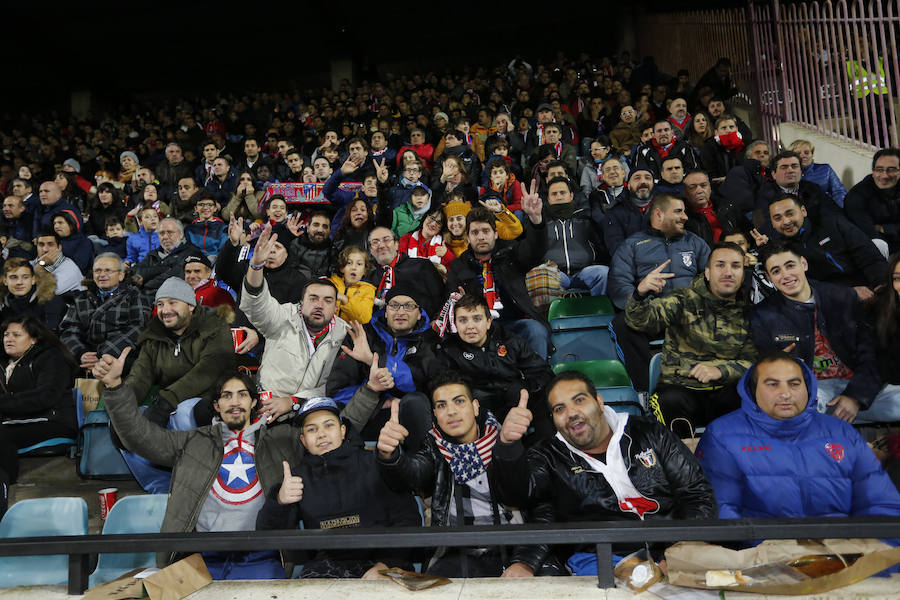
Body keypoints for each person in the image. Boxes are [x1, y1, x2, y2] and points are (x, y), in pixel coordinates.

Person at [492, 370, 717, 569]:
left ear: (599, 402)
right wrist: (507, 445)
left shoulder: (649, 432)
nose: (571, 413)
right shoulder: (549, 454)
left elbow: (696, 493)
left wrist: (685, 548)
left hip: (674, 550)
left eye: (579, 400)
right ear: (553, 420)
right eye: (560, 409)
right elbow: (517, 496)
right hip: (599, 561)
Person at [95, 364, 292, 578]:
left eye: (242, 395)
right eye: (226, 396)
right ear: (216, 405)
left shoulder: (278, 442)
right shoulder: (193, 441)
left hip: (260, 555)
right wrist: (115, 387)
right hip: (202, 555)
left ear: (254, 401)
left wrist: (294, 403)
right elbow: (140, 437)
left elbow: (322, 433)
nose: (234, 402)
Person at [376, 373, 559, 578]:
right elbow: (411, 473)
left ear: (475, 407)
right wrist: (390, 456)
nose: (451, 412)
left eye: (459, 402)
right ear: (435, 414)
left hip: (516, 546)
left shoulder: (509, 441)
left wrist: (525, 562)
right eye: (442, 406)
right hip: (458, 551)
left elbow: (543, 509)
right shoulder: (432, 449)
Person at [696, 351, 900, 519]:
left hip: (842, 553)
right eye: (772, 384)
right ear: (752, 390)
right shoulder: (723, 435)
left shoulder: (841, 432)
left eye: (794, 384)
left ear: (808, 387)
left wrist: (872, 555)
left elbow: (881, 504)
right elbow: (723, 512)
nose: (785, 393)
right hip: (763, 556)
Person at [256, 397, 420, 579]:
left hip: (382, 561)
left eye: (329, 425)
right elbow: (266, 535)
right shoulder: (295, 479)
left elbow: (409, 518)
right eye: (312, 429)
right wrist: (280, 502)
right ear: (303, 440)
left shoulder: (374, 463)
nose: (321, 434)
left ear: (342, 431)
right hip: (326, 568)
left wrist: (387, 565)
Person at [627, 243, 756, 436]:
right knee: (668, 401)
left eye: (736, 266)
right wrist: (640, 294)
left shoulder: (750, 312)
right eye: (720, 265)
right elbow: (642, 321)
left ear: (743, 274)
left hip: (725, 390)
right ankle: (682, 460)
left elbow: (753, 363)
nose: (728, 272)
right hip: (681, 389)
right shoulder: (683, 299)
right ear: (707, 273)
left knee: (754, 397)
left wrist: (719, 371)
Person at [750, 243, 880, 424]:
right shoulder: (762, 315)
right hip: (811, 391)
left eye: (790, 266)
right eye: (776, 271)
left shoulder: (842, 297)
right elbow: (765, 368)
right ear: (768, 277)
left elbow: (870, 354)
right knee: (794, 410)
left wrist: (855, 397)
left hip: (857, 384)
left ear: (803, 264)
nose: (786, 275)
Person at [240, 226, 348, 422]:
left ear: (335, 306)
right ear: (302, 301)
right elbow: (256, 304)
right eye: (313, 298)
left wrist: (294, 401)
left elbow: (337, 385)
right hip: (267, 407)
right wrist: (256, 266)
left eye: (327, 300)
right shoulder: (284, 316)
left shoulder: (344, 334)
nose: (319, 305)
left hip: (314, 413)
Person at [445, 187, 550, 358]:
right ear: (468, 238)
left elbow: (535, 250)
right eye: (475, 233)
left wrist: (536, 219)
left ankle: (539, 380)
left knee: (536, 330)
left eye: (486, 231)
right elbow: (450, 299)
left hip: (515, 323)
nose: (481, 237)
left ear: (495, 234)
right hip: (479, 328)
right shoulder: (458, 266)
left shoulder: (511, 254)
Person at [327, 286, 437, 445]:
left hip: (410, 419)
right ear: (385, 311)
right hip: (364, 418)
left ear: (419, 313)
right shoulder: (362, 335)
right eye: (393, 305)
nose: (400, 312)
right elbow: (337, 391)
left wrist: (372, 360)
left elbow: (421, 382)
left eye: (409, 306)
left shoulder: (430, 340)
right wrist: (381, 401)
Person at [0, 316, 78, 512]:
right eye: (6, 334)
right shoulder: (4, 363)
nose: (9, 339)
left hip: (53, 421)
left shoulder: (51, 357)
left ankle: (4, 490)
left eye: (16, 335)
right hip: (17, 422)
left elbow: (45, 397)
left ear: (34, 339)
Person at [763, 193, 886, 301]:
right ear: (772, 223)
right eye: (777, 218)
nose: (785, 222)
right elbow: (805, 286)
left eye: (790, 214)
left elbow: (868, 255)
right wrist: (848, 293)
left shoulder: (833, 223)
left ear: (803, 211)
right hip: (831, 299)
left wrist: (881, 286)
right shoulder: (782, 250)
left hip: (868, 287)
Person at [59, 253, 151, 371]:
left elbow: (138, 329)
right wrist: (82, 354)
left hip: (119, 357)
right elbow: (68, 330)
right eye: (97, 271)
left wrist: (103, 355)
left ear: (121, 275)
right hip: (85, 359)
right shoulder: (81, 298)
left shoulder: (135, 296)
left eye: (108, 271)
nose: (102, 275)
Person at [542, 177, 607, 296]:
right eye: (554, 194)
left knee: (603, 273)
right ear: (548, 198)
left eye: (563, 192)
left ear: (571, 196)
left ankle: (599, 312)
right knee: (542, 276)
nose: (559, 196)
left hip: (584, 273)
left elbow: (600, 247)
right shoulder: (541, 224)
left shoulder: (585, 220)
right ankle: (547, 315)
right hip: (556, 274)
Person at [365, 225, 445, 318]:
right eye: (375, 242)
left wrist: (435, 321)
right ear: (371, 250)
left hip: (422, 328)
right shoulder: (369, 280)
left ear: (396, 244)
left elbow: (441, 298)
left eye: (386, 240)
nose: (381, 245)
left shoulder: (422, 266)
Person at [844, 148, 900, 255]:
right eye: (879, 169)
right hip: (875, 252)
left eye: (891, 169)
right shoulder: (856, 196)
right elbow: (871, 235)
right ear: (873, 172)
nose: (884, 175)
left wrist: (886, 228)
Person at [131, 218, 203, 297]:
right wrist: (163, 269)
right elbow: (134, 271)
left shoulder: (192, 253)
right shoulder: (153, 254)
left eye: (170, 232)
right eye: (161, 233)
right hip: (145, 297)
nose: (165, 237)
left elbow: (174, 278)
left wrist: (145, 281)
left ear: (181, 234)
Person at [601, 167, 655, 256]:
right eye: (637, 178)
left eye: (648, 178)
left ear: (653, 184)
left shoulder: (665, 208)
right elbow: (617, 249)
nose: (643, 182)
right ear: (628, 186)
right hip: (631, 265)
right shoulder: (614, 212)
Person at [789, 139, 847, 208]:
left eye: (806, 153)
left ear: (812, 155)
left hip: (826, 208)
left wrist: (841, 209)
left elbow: (838, 191)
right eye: (798, 153)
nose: (803, 156)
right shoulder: (788, 174)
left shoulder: (826, 169)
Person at [633, 119, 697, 181]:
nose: (663, 133)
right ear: (653, 135)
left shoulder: (684, 147)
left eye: (666, 130)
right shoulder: (643, 150)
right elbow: (641, 174)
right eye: (659, 131)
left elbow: (692, 171)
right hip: (655, 190)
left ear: (672, 133)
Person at [328, 245, 376, 325]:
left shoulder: (368, 290)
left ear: (365, 270)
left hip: (350, 333)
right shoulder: (331, 284)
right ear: (342, 268)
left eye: (359, 264)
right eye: (349, 263)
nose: (353, 267)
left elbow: (364, 318)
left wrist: (345, 300)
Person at [32, 230, 85, 296]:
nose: (45, 249)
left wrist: (40, 265)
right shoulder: (32, 263)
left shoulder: (70, 268)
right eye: (41, 245)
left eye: (50, 244)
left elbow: (45, 293)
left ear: (59, 248)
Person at [289, 209, 335, 280]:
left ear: (330, 231)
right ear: (307, 228)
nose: (320, 230)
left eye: (325, 226)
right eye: (316, 225)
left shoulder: (334, 250)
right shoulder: (295, 245)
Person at [184, 192, 228, 259]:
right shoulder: (189, 230)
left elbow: (223, 251)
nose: (205, 208)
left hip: (217, 263)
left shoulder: (223, 228)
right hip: (194, 263)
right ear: (196, 208)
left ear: (215, 208)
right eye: (201, 205)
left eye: (210, 205)